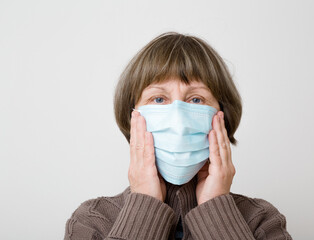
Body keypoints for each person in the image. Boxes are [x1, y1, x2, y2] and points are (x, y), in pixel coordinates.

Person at [64, 32, 292, 240]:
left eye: (196, 100)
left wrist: (216, 209)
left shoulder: (262, 221)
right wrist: (144, 204)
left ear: (222, 117)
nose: (179, 121)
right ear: (132, 116)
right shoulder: (92, 221)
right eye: (159, 99)